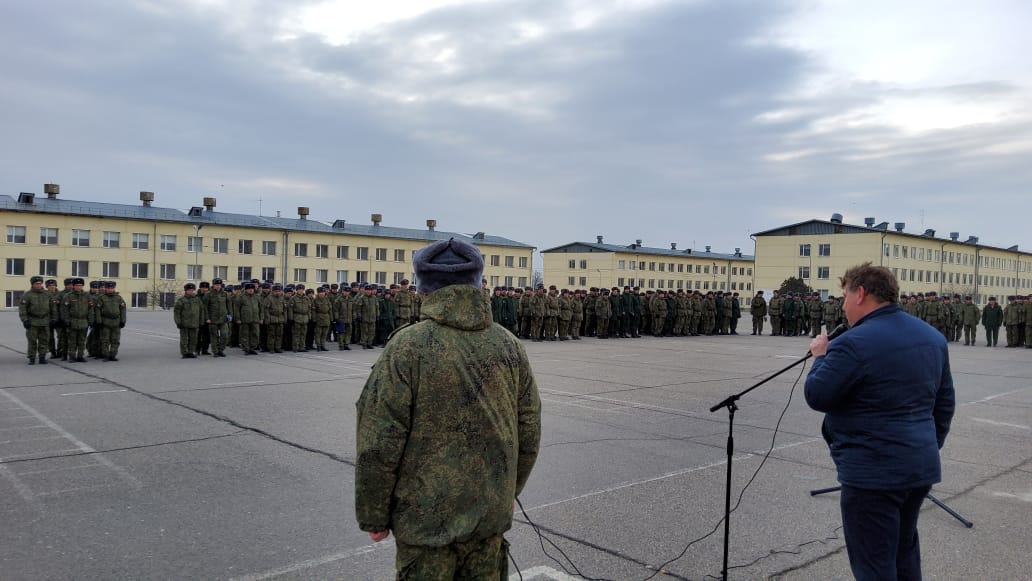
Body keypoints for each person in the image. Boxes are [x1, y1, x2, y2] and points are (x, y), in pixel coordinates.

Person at [355, 237, 541, 579]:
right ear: (477, 282)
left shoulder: (407, 348)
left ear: (423, 287)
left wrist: (374, 515)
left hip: (425, 524)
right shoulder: (508, 345)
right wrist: (508, 490)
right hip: (488, 517)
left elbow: (379, 440)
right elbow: (528, 428)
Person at [805, 263, 954, 581]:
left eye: (844, 295)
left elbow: (818, 395)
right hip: (918, 467)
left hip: (873, 475)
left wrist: (820, 357)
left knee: (873, 563)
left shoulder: (851, 343)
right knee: (904, 552)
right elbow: (944, 406)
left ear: (860, 293)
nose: (842, 304)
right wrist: (924, 447)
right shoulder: (932, 337)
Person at [19, 276, 55, 365]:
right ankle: (32, 358)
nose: (38, 285)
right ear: (32, 284)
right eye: (36, 284)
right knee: (32, 341)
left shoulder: (47, 294)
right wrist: (25, 320)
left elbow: (53, 308)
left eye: (40, 283)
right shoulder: (27, 295)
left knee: (44, 340)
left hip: (45, 321)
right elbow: (22, 309)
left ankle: (42, 357)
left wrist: (54, 318)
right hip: (32, 321)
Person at [173, 283, 204, 358]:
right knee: (184, 339)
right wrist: (178, 322)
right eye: (189, 290)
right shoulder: (181, 300)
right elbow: (177, 312)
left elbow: (201, 311)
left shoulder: (197, 300)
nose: (191, 291)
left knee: (193, 339)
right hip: (184, 323)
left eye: (192, 290)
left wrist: (201, 321)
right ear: (186, 291)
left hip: (194, 323)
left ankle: (191, 352)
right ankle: (185, 353)